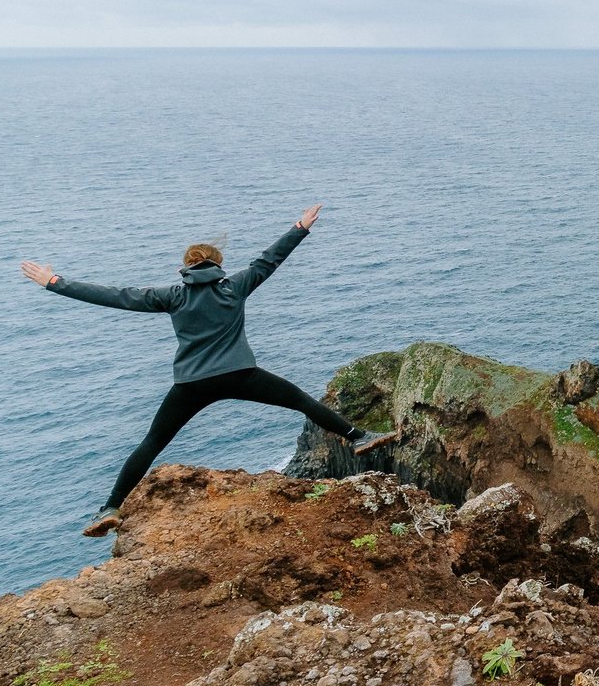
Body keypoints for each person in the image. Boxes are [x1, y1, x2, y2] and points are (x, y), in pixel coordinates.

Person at [20, 203, 387, 536]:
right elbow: (270, 260)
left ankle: (111, 506)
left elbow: (115, 296)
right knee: (300, 400)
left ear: (187, 267)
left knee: (152, 442)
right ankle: (357, 437)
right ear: (218, 264)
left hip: (192, 384)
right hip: (240, 374)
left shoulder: (171, 296)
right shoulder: (235, 287)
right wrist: (300, 227)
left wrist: (54, 282)